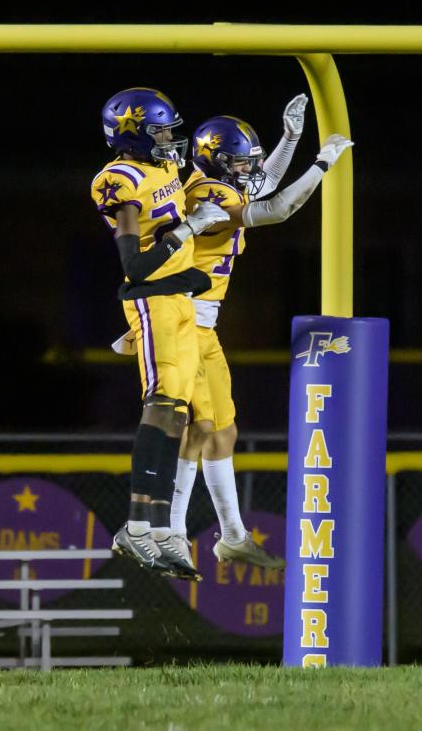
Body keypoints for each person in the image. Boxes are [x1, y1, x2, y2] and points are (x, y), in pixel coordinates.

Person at [166, 104, 354, 574]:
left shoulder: (221, 183)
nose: (249, 168)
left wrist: (289, 138)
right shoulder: (205, 192)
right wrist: (322, 162)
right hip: (182, 320)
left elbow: (261, 186)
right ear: (215, 161)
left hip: (202, 325)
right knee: (200, 428)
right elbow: (277, 207)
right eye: (240, 161)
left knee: (222, 430)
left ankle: (231, 536)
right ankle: (168, 531)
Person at [90, 87, 230, 579]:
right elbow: (134, 266)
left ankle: (163, 528)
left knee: (180, 414)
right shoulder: (119, 179)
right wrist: (188, 229)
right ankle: (134, 526)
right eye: (160, 131)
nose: (170, 140)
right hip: (153, 303)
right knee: (162, 405)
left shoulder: (165, 169)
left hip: (182, 300)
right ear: (131, 135)